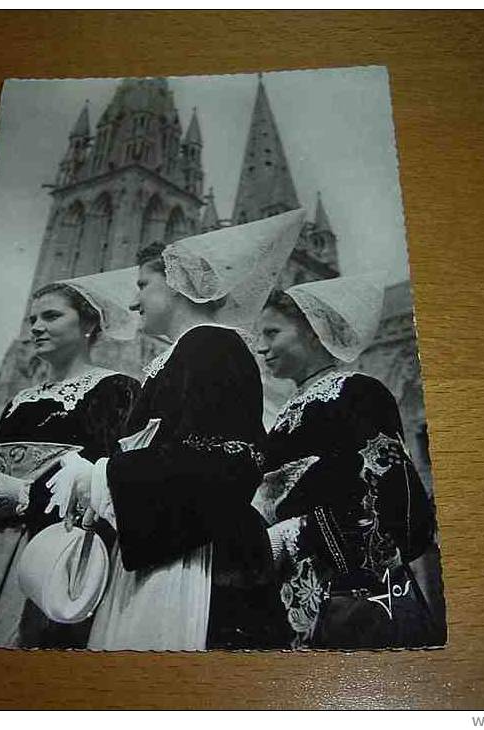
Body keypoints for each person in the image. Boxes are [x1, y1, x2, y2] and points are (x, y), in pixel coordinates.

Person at [51, 209, 305, 650]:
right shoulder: (181, 356)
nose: (133, 303)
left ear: (177, 284)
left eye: (143, 286)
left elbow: (224, 461)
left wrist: (101, 475)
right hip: (161, 551)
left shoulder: (214, 346)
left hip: (197, 565)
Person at [0, 268, 140, 648]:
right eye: (33, 319)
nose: (37, 327)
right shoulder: (20, 401)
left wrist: (25, 497)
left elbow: (104, 484)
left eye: (52, 316)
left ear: (89, 322)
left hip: (49, 552)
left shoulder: (114, 389)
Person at [254, 274, 446, 649]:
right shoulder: (286, 412)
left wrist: (289, 533)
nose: (261, 348)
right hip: (290, 591)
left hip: (355, 597)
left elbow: (386, 495)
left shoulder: (357, 393)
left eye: (272, 333)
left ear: (312, 331)